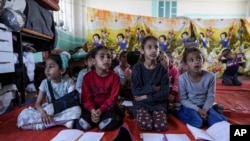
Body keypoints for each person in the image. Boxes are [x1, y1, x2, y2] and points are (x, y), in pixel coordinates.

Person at [17, 52, 81, 130]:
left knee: (77, 110)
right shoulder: (44, 83)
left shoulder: (69, 82)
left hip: (63, 110)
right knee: (23, 115)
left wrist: (54, 109)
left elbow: (71, 101)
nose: (47, 70)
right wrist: (42, 112)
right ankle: (62, 122)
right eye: (46, 66)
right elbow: (37, 104)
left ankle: (41, 125)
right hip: (49, 111)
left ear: (62, 70)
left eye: (51, 67)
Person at [75, 46, 124, 131]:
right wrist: (93, 110)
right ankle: (96, 119)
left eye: (109, 57)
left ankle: (101, 120)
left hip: (108, 109)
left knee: (105, 126)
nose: (106, 59)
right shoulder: (87, 77)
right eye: (102, 56)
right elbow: (86, 98)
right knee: (81, 125)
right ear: (94, 61)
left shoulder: (115, 77)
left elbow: (113, 98)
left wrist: (101, 110)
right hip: (92, 110)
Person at [175, 47, 227, 128]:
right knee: (197, 123)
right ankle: (178, 112)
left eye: (199, 58)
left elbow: (211, 97)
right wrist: (198, 110)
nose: (196, 62)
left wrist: (205, 110)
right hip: (190, 106)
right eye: (191, 60)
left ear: (203, 60)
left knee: (220, 122)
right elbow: (184, 99)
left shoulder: (211, 77)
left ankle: (208, 113)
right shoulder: (182, 78)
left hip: (205, 105)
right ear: (186, 63)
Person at [131, 36, 169, 132]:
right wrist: (153, 88)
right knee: (146, 125)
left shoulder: (162, 70)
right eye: (149, 47)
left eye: (156, 47)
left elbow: (164, 93)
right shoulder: (137, 68)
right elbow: (135, 91)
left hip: (158, 104)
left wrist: (145, 97)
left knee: (160, 126)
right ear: (142, 50)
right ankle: (136, 113)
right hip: (141, 104)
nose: (153, 50)